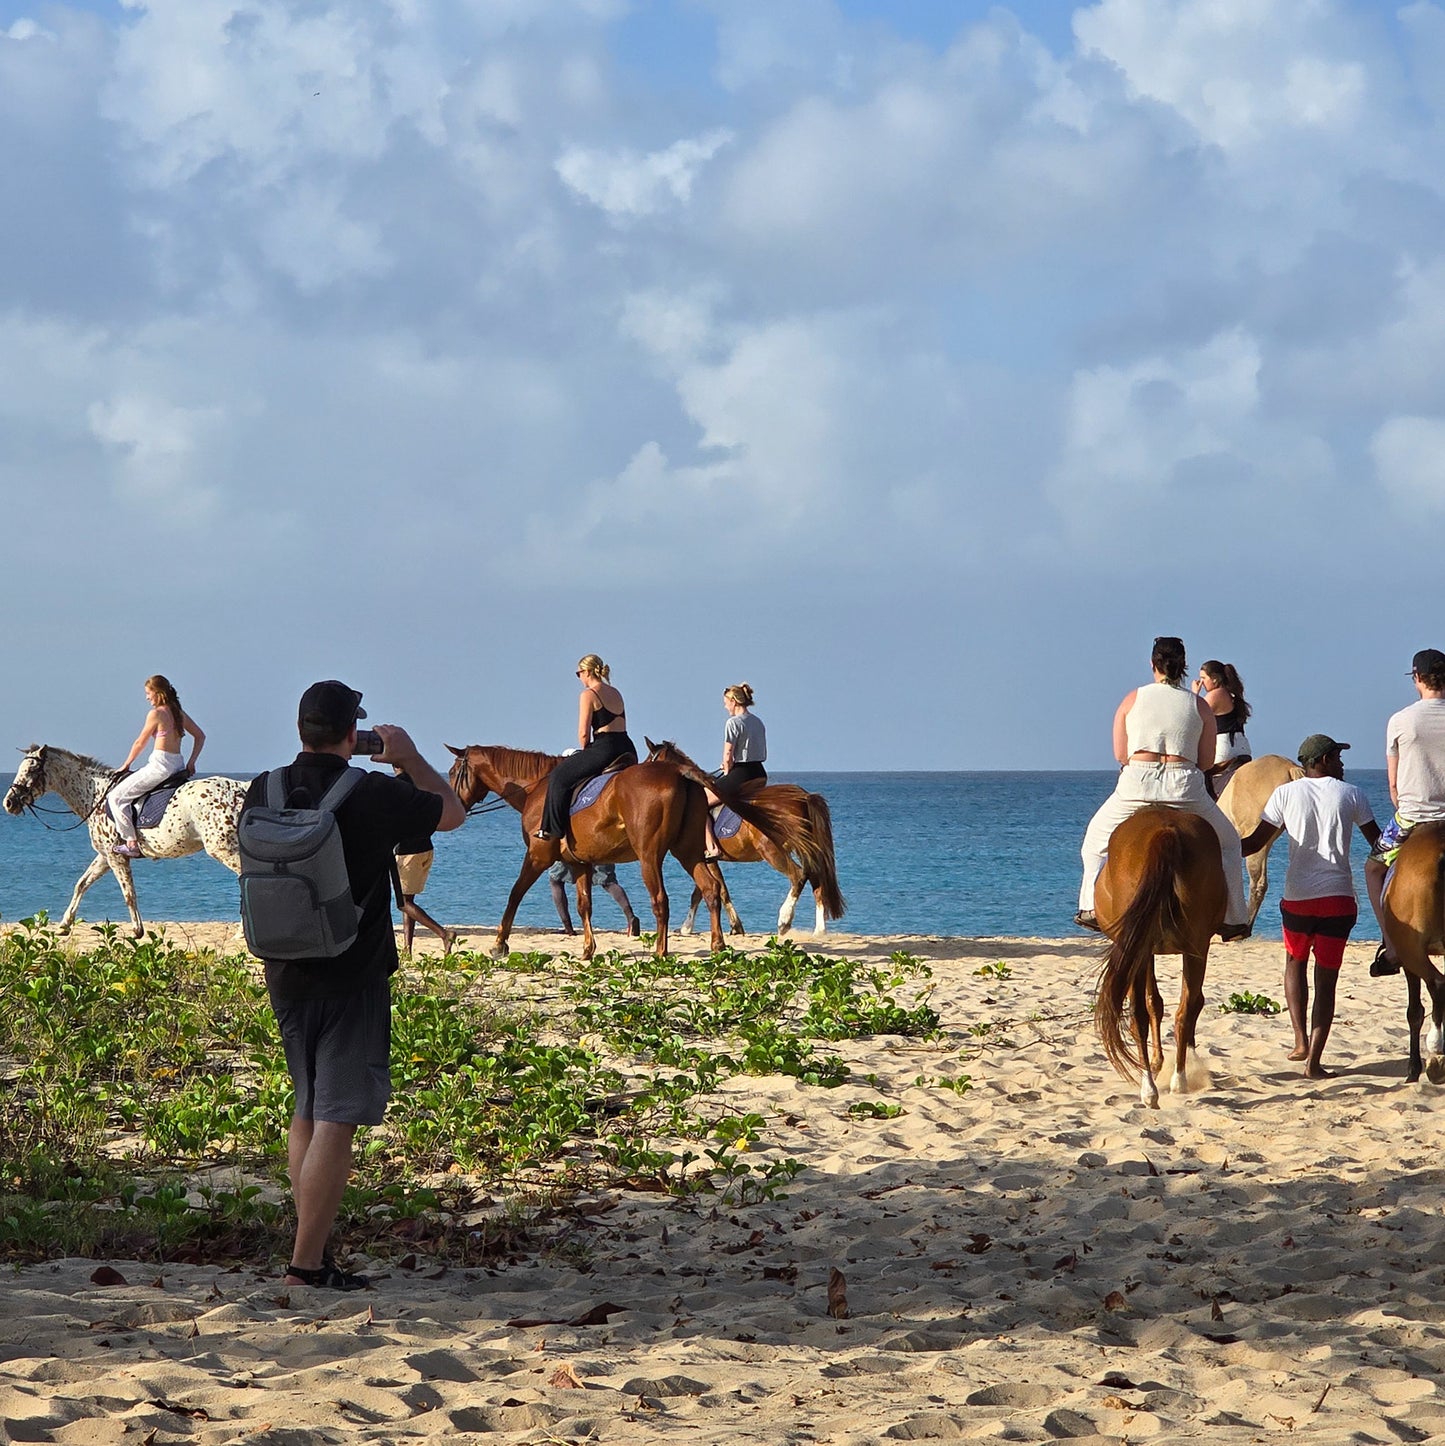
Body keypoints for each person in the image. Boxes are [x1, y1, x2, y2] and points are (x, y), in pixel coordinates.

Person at [242, 680, 464, 1290]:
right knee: (337, 1116)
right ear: (352, 734)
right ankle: (306, 1265)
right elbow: (451, 812)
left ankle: (308, 1250)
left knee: (308, 1108)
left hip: (284, 966)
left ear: (300, 730)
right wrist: (411, 758)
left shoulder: (263, 788)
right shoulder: (373, 789)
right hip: (354, 970)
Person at [1076, 636, 1250, 939]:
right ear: (1184, 667)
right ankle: (1234, 917)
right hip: (1183, 785)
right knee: (1230, 844)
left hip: (1137, 784)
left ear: (1153, 664)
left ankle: (1090, 908)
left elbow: (1120, 754)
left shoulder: (1132, 699)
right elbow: (1207, 761)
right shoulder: (1198, 704)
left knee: (1093, 843)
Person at [1239, 735, 1379, 1078]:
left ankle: (1300, 1040)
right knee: (1326, 981)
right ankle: (1314, 1063)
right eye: (1338, 757)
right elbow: (1378, 843)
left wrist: (1221, 847)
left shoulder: (1284, 794)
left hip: (1298, 900)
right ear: (1324, 759)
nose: (1342, 764)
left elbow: (1255, 842)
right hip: (1338, 900)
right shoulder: (1352, 794)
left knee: (1294, 964)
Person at [1365, 648, 1445, 975]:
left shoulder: (1400, 720)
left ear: (1417, 678)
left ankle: (1392, 943)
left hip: (1412, 818)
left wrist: (1403, 804)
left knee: (1372, 870)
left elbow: (1393, 784)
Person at [534, 655, 636, 842]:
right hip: (627, 747)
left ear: (587, 671)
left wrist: (586, 750)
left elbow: (583, 734)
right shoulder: (615, 692)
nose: (579, 677)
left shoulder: (589, 695)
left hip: (605, 747)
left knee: (558, 776)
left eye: (578, 673)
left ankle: (552, 830)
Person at [108, 674, 206, 858]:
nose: (147, 697)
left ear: (158, 693)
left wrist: (126, 765)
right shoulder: (179, 713)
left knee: (116, 798)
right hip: (178, 765)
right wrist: (192, 761)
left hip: (160, 766)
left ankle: (131, 843)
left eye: (148, 693)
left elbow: (139, 743)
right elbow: (200, 736)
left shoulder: (156, 714)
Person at [392, 766, 457, 956]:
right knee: (409, 900)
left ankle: (444, 933)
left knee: (402, 902)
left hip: (408, 851)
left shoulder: (398, 787)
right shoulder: (422, 784)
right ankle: (407, 948)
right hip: (426, 848)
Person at [703, 683, 768, 860]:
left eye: (726, 703)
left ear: (733, 701)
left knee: (698, 802)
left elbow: (728, 755)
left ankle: (712, 848)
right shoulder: (757, 721)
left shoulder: (733, 723)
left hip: (741, 774)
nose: (725, 707)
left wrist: (726, 768)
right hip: (759, 773)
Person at [1192, 660, 1252, 797]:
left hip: (1223, 749)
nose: (1201, 682)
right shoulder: (1231, 694)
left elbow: (1195, 716)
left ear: (1214, 679)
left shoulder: (1216, 694)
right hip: (1241, 747)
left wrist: (1195, 694)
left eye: (1203, 678)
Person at [548, 859, 641, 936]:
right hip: (601, 848)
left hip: (575, 850)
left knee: (555, 880)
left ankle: (568, 927)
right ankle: (630, 917)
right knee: (609, 883)